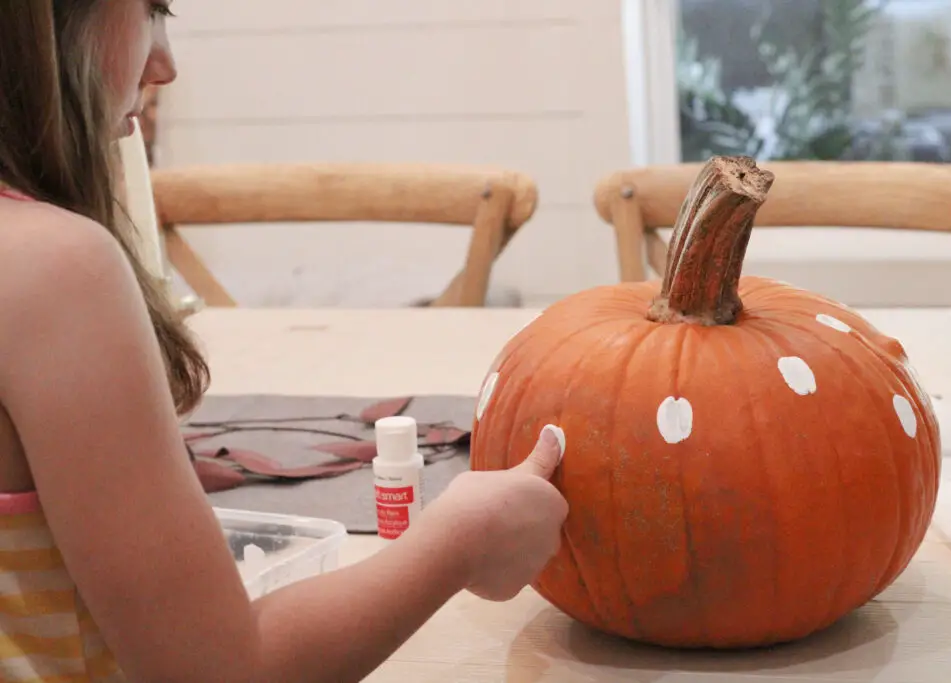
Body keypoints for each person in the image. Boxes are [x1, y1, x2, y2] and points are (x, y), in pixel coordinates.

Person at [0, 1, 569, 681]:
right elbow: (228, 670)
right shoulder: (54, 273)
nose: (166, 65)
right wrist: (458, 542)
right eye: (151, 10)